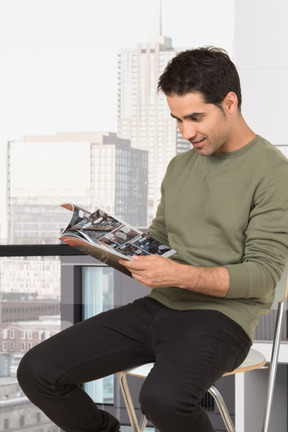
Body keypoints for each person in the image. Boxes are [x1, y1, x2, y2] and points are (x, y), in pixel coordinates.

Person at [17, 47, 288, 432]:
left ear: (230, 103)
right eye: (177, 119)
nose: (186, 132)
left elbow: (262, 275)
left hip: (223, 318)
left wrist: (177, 275)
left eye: (196, 117)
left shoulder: (273, 173)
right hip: (159, 307)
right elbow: (157, 246)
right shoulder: (180, 166)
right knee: (38, 370)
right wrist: (98, 244)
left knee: (163, 400)